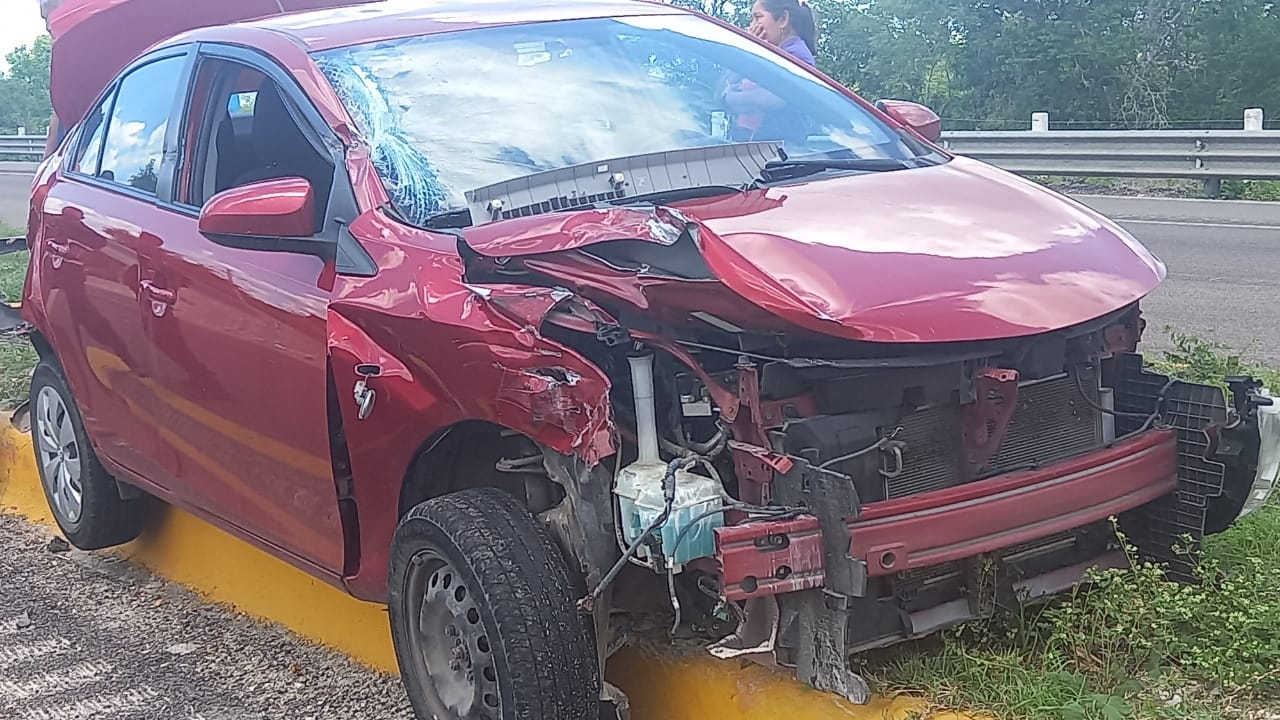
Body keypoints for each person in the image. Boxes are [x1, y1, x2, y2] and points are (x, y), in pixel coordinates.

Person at [722, 0, 820, 142]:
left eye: (758, 17)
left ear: (783, 20)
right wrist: (747, 51)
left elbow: (768, 100)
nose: (751, 27)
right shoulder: (768, 56)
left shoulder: (796, 55)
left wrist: (729, 97)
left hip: (781, 152)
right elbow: (720, 91)